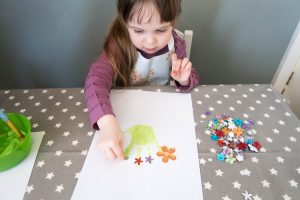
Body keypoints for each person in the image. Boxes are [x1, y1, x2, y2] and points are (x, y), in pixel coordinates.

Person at [84, 0, 200, 161]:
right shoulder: (118, 45)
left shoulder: (177, 45)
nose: (150, 41)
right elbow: (95, 79)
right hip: (125, 111)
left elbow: (192, 77)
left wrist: (184, 79)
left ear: (173, 22)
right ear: (125, 24)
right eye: (138, 31)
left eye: (161, 30)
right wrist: (107, 123)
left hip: (162, 113)